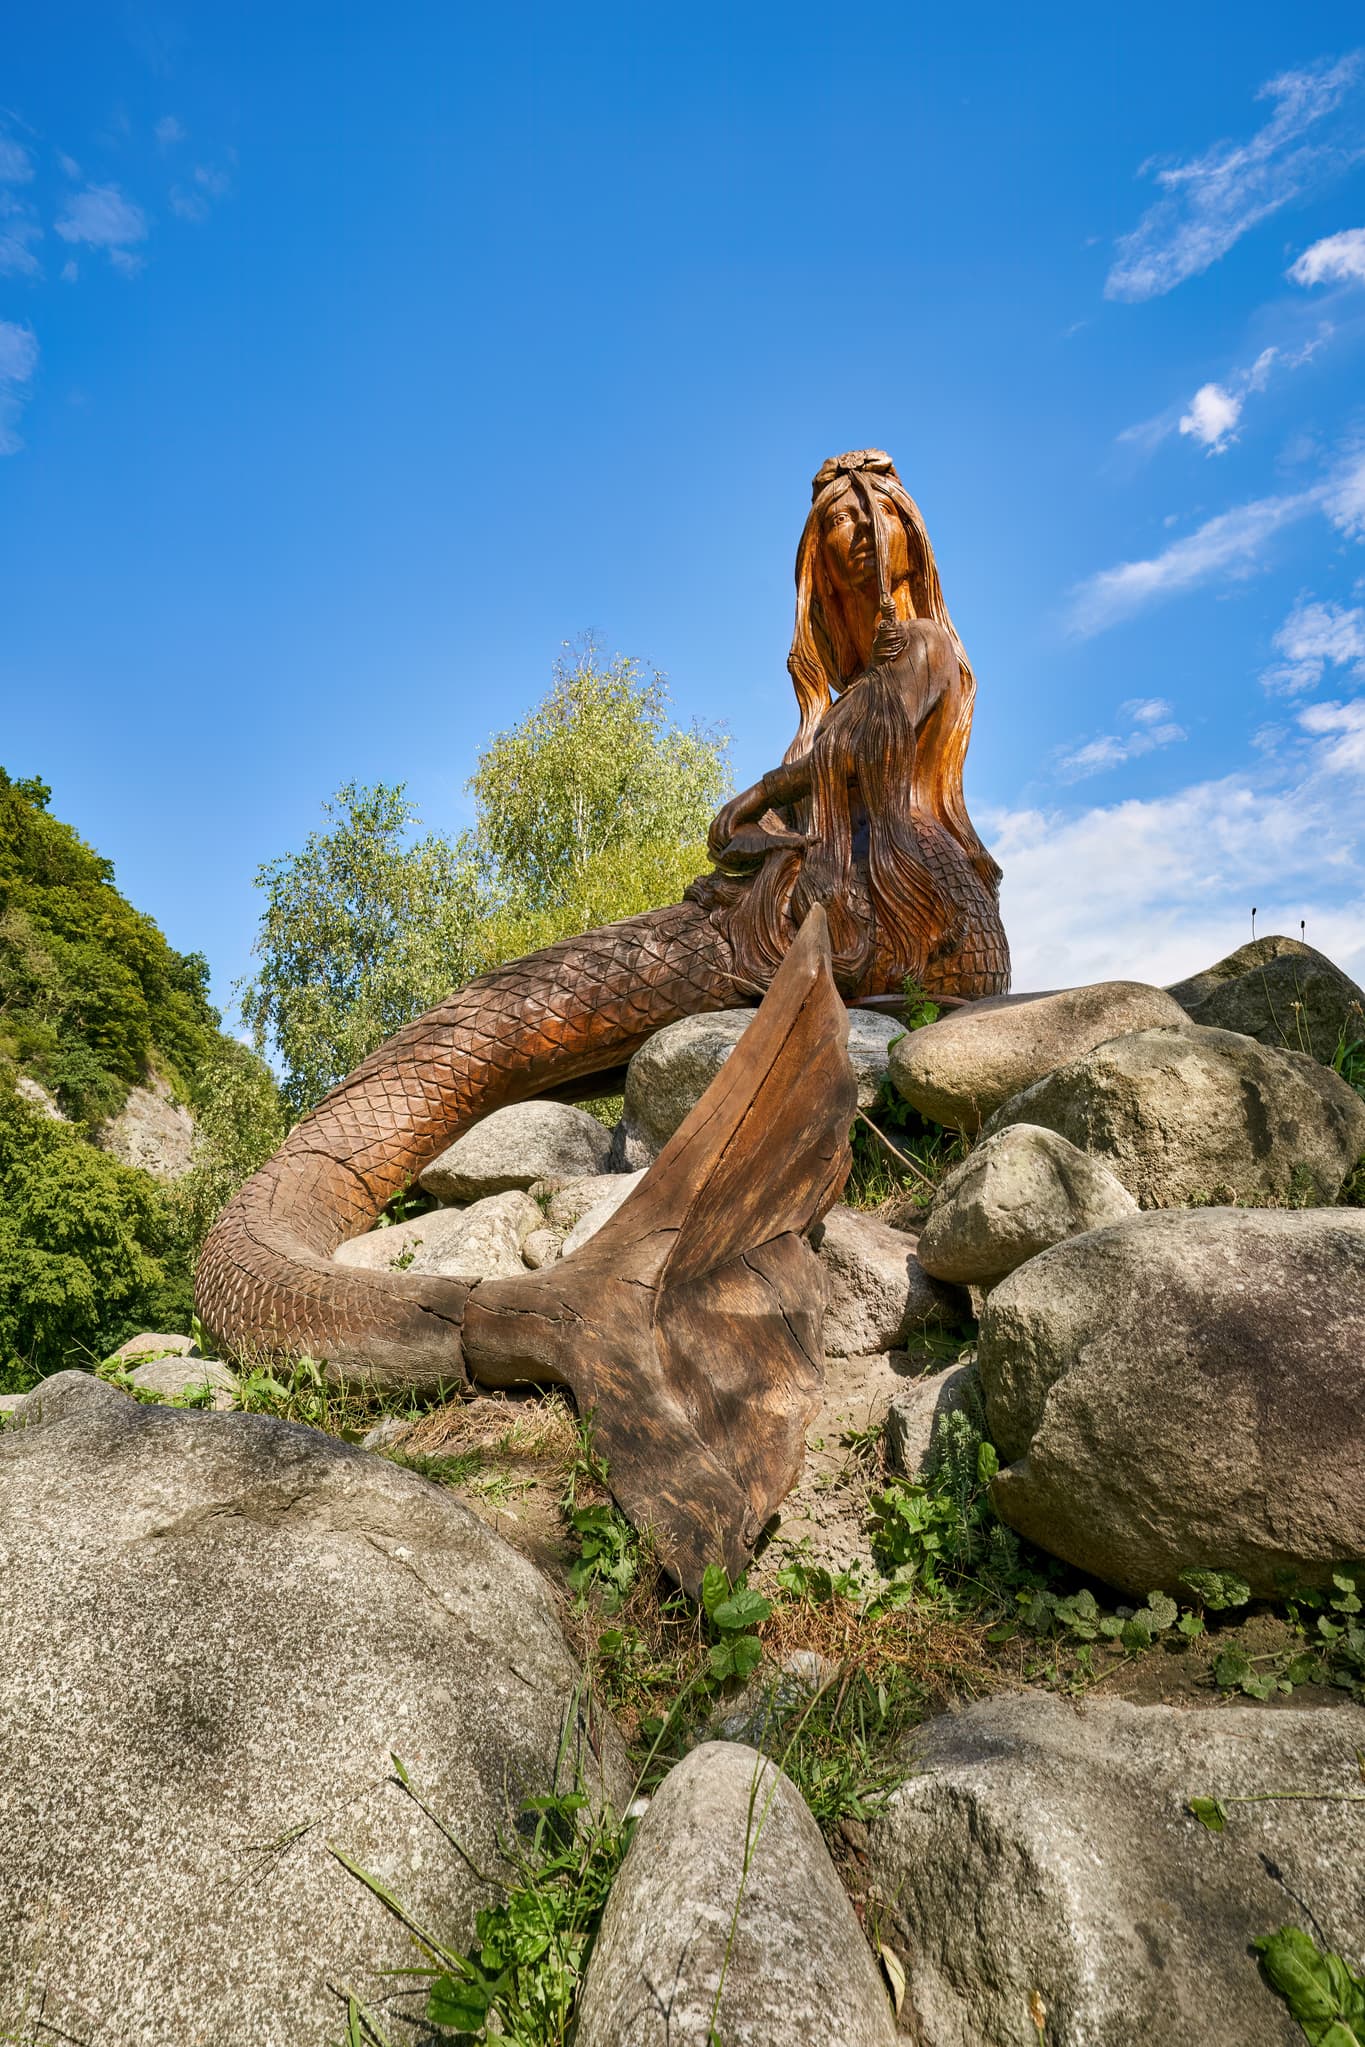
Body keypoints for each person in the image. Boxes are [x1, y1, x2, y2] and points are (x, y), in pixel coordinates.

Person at [695, 448, 1010, 1001]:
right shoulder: (842, 702)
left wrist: (760, 793)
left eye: (882, 513)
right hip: (847, 898)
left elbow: (869, 741)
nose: (865, 528)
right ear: (822, 565)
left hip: (914, 908)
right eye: (842, 519)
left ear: (911, 536)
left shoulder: (925, 643)